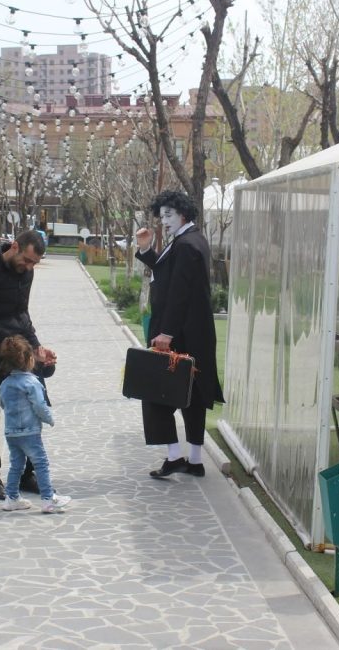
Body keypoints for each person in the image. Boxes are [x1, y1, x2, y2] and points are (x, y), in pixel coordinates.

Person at [134, 190, 224, 478]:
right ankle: (195, 460)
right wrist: (147, 250)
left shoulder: (186, 244)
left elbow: (179, 293)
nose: (164, 222)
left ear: (183, 213)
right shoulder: (191, 240)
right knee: (193, 396)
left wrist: (166, 333)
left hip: (180, 335)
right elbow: (171, 275)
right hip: (194, 334)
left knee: (154, 392)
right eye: (162, 217)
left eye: (168, 215)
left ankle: (175, 456)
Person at [0, 229, 57, 499]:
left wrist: (37, 349)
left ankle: (27, 474)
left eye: (34, 264)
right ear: (15, 246)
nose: (28, 267)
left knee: (31, 411)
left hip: (20, 353)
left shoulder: (26, 273)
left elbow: (21, 314)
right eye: (27, 260)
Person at [0, 336, 72, 513]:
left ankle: (11, 498)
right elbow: (39, 405)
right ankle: (48, 499)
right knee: (41, 464)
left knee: (16, 465)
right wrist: (49, 418)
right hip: (30, 433)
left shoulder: (5, 384)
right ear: (29, 359)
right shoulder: (31, 382)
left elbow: (3, 404)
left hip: (11, 432)